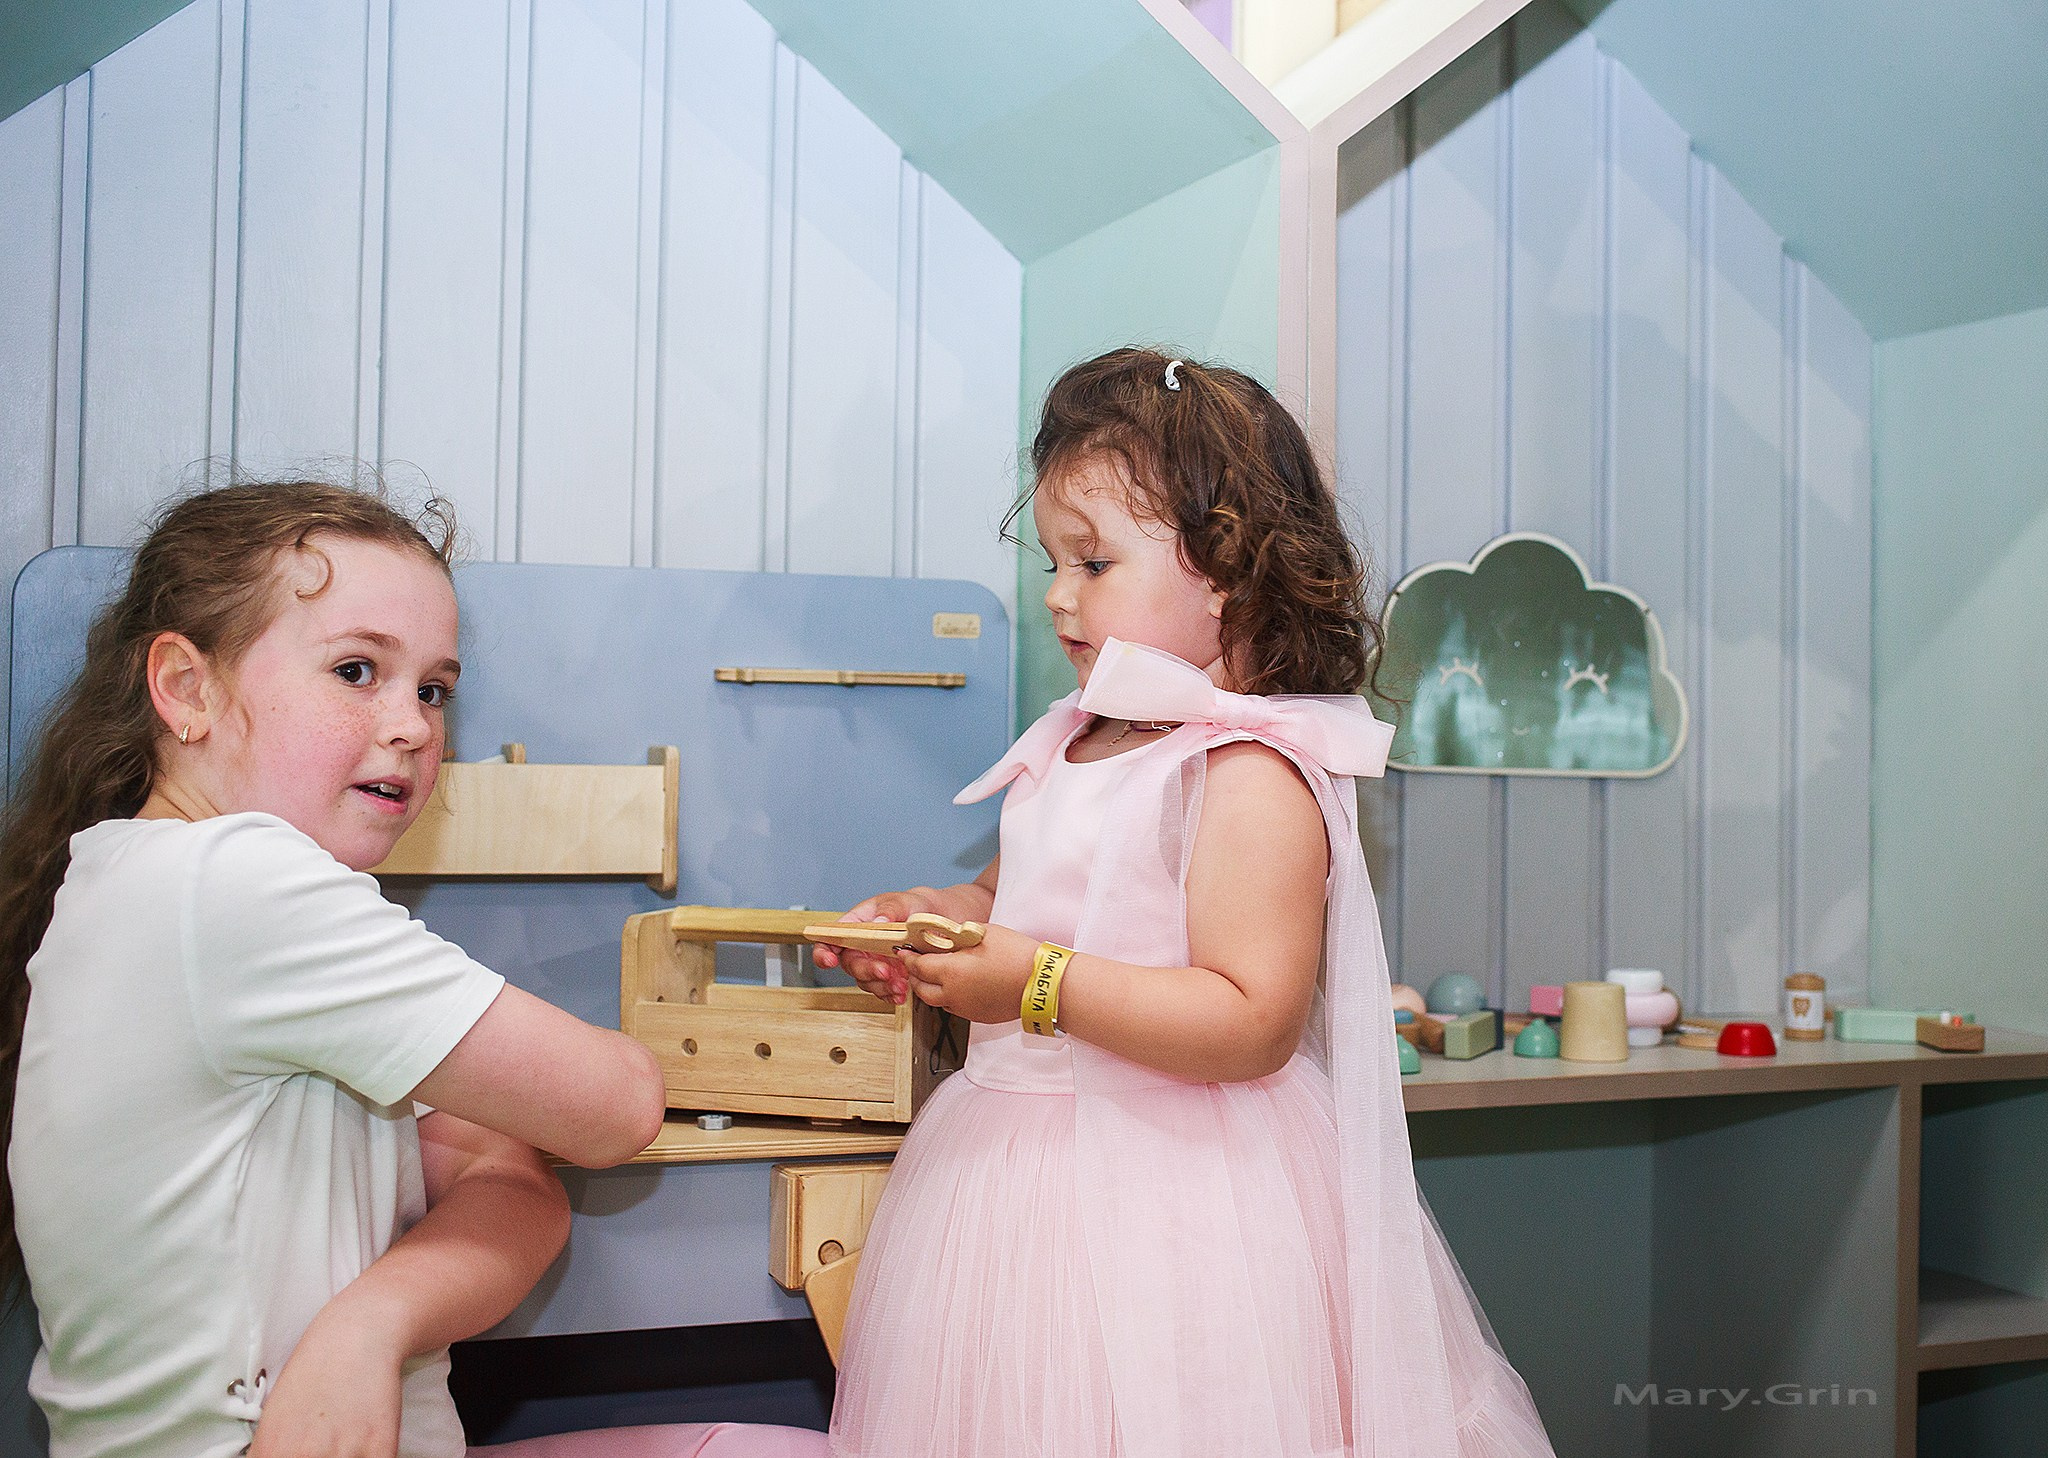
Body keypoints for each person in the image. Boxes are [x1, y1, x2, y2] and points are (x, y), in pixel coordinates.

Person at [815, 350, 1558, 1457]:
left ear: (1229, 573)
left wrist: (1033, 984)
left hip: (1181, 1193)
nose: (1056, 593)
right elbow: (1009, 900)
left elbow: (1251, 1020)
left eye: (1093, 561)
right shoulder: (1075, 739)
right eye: (1053, 562)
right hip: (1009, 1171)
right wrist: (930, 918)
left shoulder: (1247, 771)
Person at [0, 481, 825, 1458]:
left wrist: (370, 1321)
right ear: (186, 689)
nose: (414, 725)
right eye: (357, 670)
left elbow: (508, 1177)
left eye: (433, 689)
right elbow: (618, 1104)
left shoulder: (147, 886)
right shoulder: (236, 884)